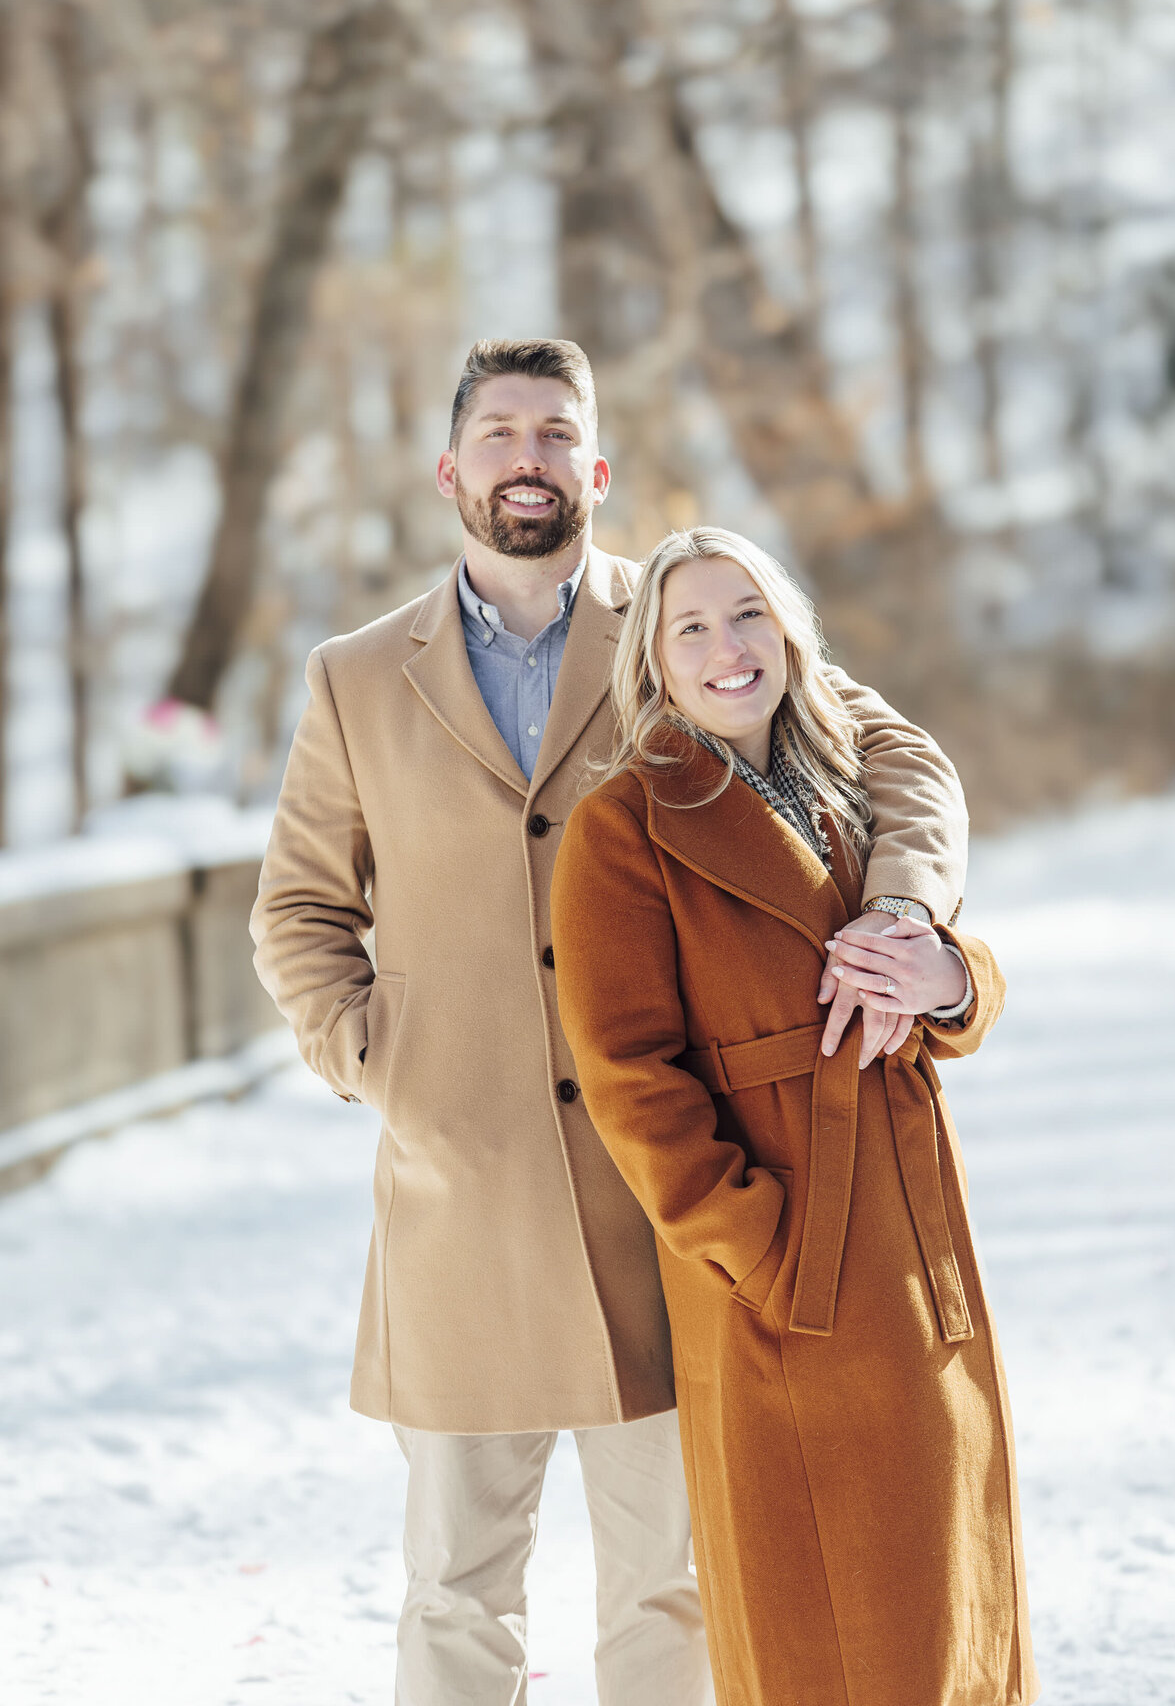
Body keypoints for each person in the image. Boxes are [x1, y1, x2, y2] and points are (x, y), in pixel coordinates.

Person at [250, 339, 975, 1706]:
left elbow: (896, 754)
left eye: (554, 432)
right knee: (455, 1592)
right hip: (456, 1204)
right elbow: (297, 910)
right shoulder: (354, 675)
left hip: (667, 1194)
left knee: (673, 1586)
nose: (527, 456)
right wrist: (380, 1061)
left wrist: (905, 909)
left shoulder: (691, 620)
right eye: (500, 431)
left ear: (595, 467)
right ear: (449, 469)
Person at [549, 525, 1040, 1706]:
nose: (729, 648)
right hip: (780, 1265)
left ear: (791, 630)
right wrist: (758, 1248)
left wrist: (953, 976)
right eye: (693, 627)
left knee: (946, 1573)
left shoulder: (839, 781)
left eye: (750, 613)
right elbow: (628, 1074)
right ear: (654, 663)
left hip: (914, 1229)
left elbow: (940, 977)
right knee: (827, 1610)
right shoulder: (624, 826)